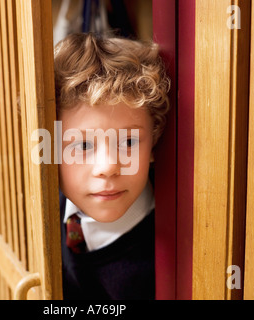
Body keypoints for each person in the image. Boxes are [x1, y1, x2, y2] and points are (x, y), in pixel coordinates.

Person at [54, 32, 170, 300]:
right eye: (82, 146)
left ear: (154, 140)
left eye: (128, 141)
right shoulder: (52, 201)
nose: (108, 167)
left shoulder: (161, 264)